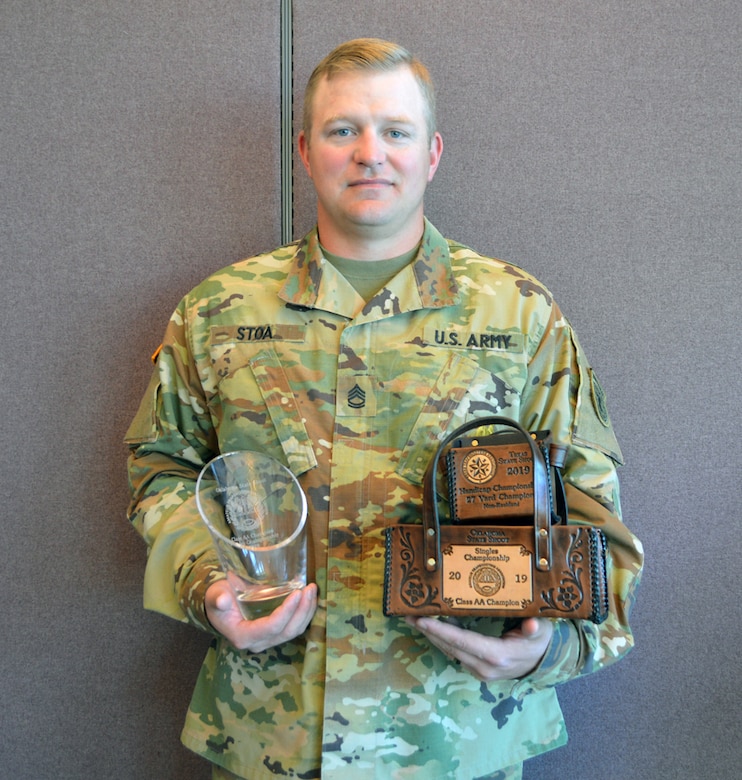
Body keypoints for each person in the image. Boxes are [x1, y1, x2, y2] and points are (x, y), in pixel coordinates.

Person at [125, 38, 643, 780]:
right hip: (274, 734)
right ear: (306, 151)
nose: (371, 152)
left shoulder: (520, 313)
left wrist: (554, 645)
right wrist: (208, 585)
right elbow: (162, 470)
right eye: (344, 130)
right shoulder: (218, 313)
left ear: (431, 153)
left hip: (460, 735)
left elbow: (591, 506)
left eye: (395, 131)